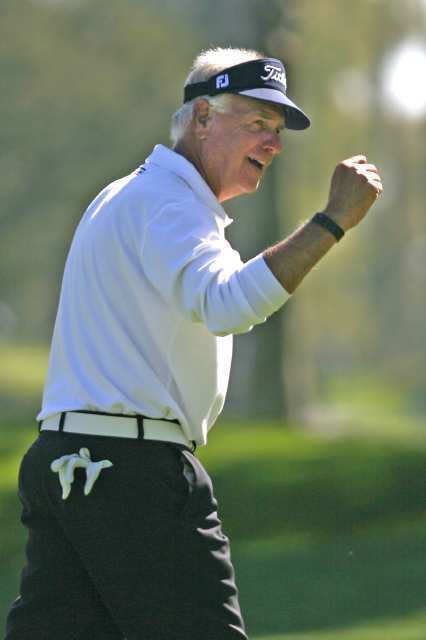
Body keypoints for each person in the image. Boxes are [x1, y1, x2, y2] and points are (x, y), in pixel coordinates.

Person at [5, 47, 383, 639]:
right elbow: (227, 303)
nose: (273, 143)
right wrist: (331, 220)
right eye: (257, 123)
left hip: (69, 464)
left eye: (277, 130)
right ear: (202, 118)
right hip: (130, 475)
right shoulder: (169, 202)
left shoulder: (135, 194)